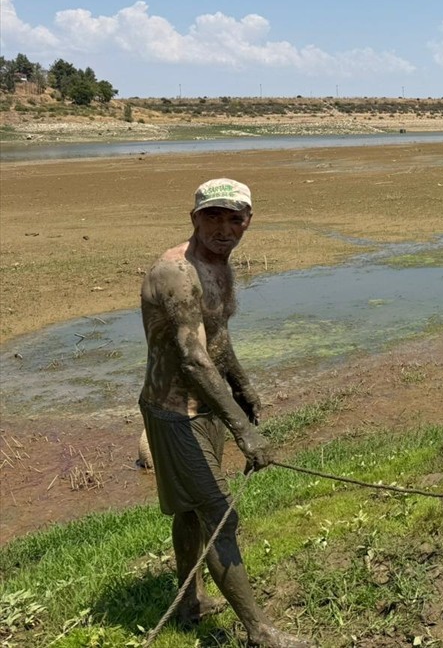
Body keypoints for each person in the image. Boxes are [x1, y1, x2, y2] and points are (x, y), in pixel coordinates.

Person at [139, 178, 310, 648]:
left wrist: (243, 384)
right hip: (175, 411)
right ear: (193, 218)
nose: (224, 227)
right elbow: (193, 357)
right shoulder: (177, 273)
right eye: (212, 216)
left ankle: (189, 601)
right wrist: (244, 431)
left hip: (205, 406)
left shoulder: (220, 266)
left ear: (248, 222)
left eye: (235, 218)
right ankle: (261, 633)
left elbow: (217, 340)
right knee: (219, 515)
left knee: (192, 509)